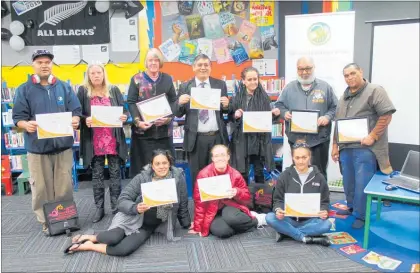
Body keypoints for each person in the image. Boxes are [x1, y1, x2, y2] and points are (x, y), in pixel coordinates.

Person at [64, 149, 191, 256]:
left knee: (123, 250)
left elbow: (183, 204)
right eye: (157, 164)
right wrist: (135, 208)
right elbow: (122, 200)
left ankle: (89, 245)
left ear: (170, 163)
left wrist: (186, 224)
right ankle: (91, 237)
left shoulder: (178, 178)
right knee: (112, 238)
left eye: (164, 163)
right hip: (133, 217)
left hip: (148, 227)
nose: (161, 166)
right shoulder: (142, 177)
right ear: (152, 166)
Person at [12, 49, 82, 235]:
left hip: (63, 148)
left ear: (52, 64)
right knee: (41, 188)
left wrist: (76, 120)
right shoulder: (23, 89)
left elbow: (76, 111)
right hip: (37, 149)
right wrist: (25, 125)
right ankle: (46, 221)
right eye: (40, 62)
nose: (44, 65)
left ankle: (64, 217)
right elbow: (18, 118)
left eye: (47, 62)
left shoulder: (64, 87)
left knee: (64, 185)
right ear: (33, 65)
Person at [331, 63, 396, 229]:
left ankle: (361, 215)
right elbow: (338, 123)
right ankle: (352, 207)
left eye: (353, 73)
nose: (350, 77)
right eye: (346, 75)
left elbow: (386, 115)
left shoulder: (375, 90)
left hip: (366, 148)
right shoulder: (343, 97)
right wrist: (334, 146)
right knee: (348, 181)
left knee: (362, 182)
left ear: (361, 72)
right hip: (346, 147)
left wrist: (372, 136)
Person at [77, 63, 128, 223]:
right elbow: (77, 113)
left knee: (115, 174)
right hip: (94, 141)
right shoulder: (83, 91)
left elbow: (124, 110)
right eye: (92, 73)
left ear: (104, 73)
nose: (96, 75)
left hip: (113, 139)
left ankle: (116, 207)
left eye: (99, 72)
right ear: (88, 75)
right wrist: (86, 119)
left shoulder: (113, 90)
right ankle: (99, 208)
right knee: (97, 175)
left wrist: (124, 116)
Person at [275, 56, 338, 179]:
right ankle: (300, 198)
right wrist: (284, 113)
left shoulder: (325, 87)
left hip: (319, 140)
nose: (304, 72)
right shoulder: (289, 88)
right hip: (296, 141)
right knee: (298, 173)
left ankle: (320, 198)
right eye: (301, 69)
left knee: (319, 173)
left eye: (308, 68)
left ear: (314, 68)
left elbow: (336, 107)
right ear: (297, 70)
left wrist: (327, 116)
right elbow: (279, 105)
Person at [173, 54, 230, 188]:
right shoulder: (185, 86)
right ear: (193, 67)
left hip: (217, 137)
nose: (203, 68)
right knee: (197, 176)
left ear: (210, 67)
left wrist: (227, 105)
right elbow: (178, 113)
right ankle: (200, 207)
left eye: (206, 65)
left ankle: (217, 208)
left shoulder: (220, 84)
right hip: (195, 139)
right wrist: (179, 103)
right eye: (200, 65)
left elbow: (227, 111)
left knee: (218, 175)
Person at [188, 145, 267, 238]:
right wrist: (198, 226)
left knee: (231, 218)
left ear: (228, 157)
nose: (220, 158)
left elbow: (247, 198)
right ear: (212, 158)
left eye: (223, 155)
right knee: (223, 232)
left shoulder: (235, 174)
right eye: (216, 156)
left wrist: (237, 192)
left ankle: (257, 220)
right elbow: (199, 203)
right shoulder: (203, 174)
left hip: (231, 206)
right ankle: (242, 224)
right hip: (212, 210)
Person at [266, 141, 332, 246]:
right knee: (269, 217)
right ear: (292, 158)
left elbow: (324, 201)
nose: (301, 161)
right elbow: (278, 200)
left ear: (309, 157)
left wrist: (324, 211)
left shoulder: (319, 177)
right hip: (289, 218)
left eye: (304, 157)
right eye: (297, 158)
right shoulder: (284, 176)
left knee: (327, 224)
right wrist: (278, 210)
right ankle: (305, 237)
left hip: (310, 220)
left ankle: (287, 233)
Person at [127, 48, 177, 178]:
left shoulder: (167, 79)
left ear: (160, 62)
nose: (153, 63)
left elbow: (174, 101)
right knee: (143, 170)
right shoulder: (136, 79)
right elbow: (131, 102)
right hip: (143, 135)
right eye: (150, 60)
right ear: (146, 62)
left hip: (163, 134)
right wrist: (138, 121)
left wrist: (168, 119)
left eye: (156, 60)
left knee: (165, 169)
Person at [229, 67, 281, 184]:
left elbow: (267, 120)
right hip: (242, 140)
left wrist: (274, 114)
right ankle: (244, 199)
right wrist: (235, 115)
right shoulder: (237, 98)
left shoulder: (264, 98)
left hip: (259, 141)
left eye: (255, 79)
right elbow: (230, 117)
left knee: (259, 171)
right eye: (249, 79)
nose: (253, 82)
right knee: (243, 173)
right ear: (243, 81)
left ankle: (260, 199)